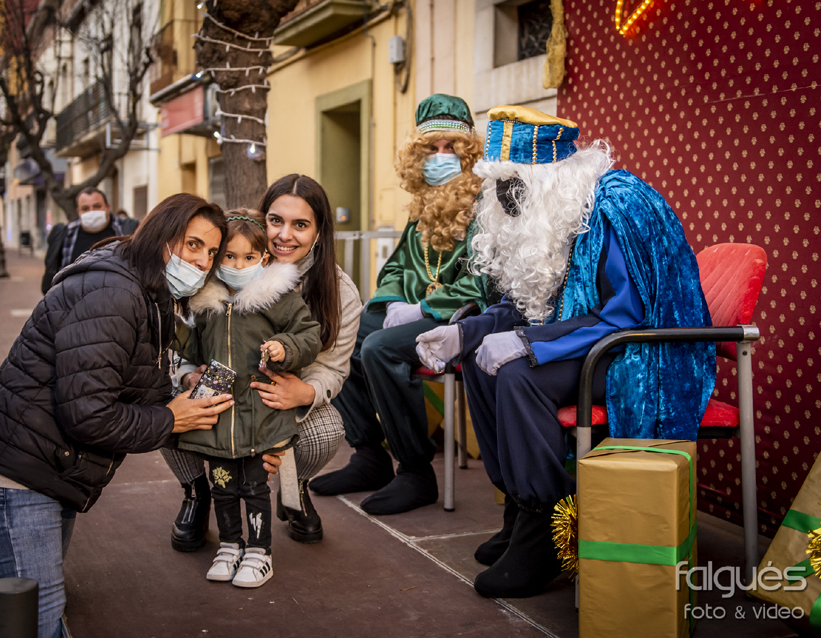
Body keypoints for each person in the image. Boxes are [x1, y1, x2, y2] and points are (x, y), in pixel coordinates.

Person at [416, 105, 716, 599]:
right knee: (479, 360)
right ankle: (519, 507)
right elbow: (528, 305)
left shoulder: (615, 206)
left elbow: (626, 313)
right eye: (498, 183)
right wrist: (466, 333)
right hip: (588, 342)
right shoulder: (548, 211)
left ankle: (546, 526)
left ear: (550, 175)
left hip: (642, 351)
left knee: (519, 375)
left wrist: (527, 343)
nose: (505, 197)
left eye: (515, 182)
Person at [0, 193, 262, 638]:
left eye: (210, 252)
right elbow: (88, 414)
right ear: (160, 235)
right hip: (16, 479)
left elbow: (125, 385)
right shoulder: (114, 294)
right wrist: (172, 418)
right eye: (192, 244)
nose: (202, 262)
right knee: (36, 621)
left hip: (49, 470)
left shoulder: (145, 290)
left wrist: (184, 395)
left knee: (35, 609)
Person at [162, 174, 362, 548]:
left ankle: (294, 488)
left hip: (279, 398)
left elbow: (333, 367)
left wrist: (303, 393)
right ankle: (195, 490)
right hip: (221, 387)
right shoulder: (217, 269)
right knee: (166, 406)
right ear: (261, 218)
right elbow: (183, 343)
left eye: (300, 225)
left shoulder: (339, 291)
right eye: (275, 220)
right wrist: (189, 375)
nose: (284, 235)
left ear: (319, 231)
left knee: (326, 430)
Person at [309, 94, 486, 516]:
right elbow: (395, 268)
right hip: (411, 310)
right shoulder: (421, 207)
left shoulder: (485, 207)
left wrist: (425, 309)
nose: (441, 156)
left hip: (461, 318)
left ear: (467, 153)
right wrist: (391, 303)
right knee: (335, 335)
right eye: (431, 148)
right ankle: (369, 454)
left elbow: (484, 282)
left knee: (379, 349)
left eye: (450, 147)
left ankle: (416, 470)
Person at [174, 209, 321, 588]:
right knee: (222, 486)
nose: (238, 265)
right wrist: (183, 355)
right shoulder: (205, 301)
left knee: (255, 488)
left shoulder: (278, 298)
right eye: (229, 256)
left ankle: (259, 551)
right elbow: (190, 349)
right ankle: (229, 545)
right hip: (217, 415)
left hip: (260, 415)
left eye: (248, 257)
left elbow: (308, 336)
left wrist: (284, 347)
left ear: (264, 259)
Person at [42, 187, 140, 293]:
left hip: (120, 297)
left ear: (107, 208)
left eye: (97, 206)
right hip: (74, 298)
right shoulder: (66, 234)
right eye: (85, 208)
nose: (91, 211)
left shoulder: (128, 230)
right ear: (78, 212)